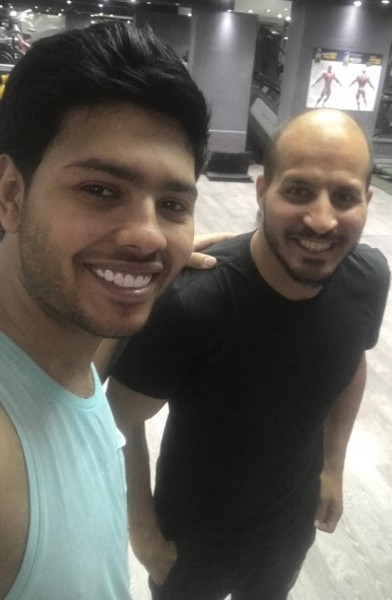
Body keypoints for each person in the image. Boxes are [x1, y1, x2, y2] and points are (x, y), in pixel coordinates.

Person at [107, 108, 390, 600]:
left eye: (344, 197)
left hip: (290, 525)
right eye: (298, 191)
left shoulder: (368, 278)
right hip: (192, 539)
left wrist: (333, 466)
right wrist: (144, 535)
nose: (321, 220)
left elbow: (351, 363)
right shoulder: (196, 302)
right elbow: (119, 419)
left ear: (367, 201)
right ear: (262, 191)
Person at [0, 21, 212, 599]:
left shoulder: (63, 347)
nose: (149, 235)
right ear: (12, 193)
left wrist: (145, 272)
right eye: (99, 190)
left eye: (172, 204)